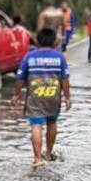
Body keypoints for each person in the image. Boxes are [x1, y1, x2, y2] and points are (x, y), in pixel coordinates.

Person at [13, 27, 71, 165]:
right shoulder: (60, 57)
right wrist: (67, 97)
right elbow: (65, 80)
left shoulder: (29, 56)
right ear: (54, 41)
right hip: (53, 96)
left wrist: (16, 94)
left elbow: (20, 78)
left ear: (38, 41)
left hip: (35, 97)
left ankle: (38, 159)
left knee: (36, 125)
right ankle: (49, 153)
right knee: (52, 123)